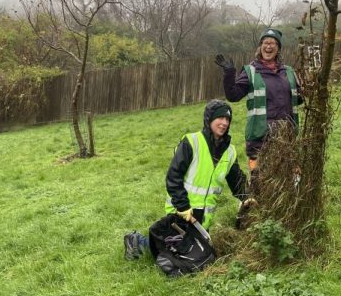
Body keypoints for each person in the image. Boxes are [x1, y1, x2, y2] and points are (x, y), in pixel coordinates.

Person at [124, 99, 252, 260]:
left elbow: (236, 181)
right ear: (209, 119)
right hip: (181, 214)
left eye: (227, 119)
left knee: (199, 257)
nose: (224, 123)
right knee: (173, 254)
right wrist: (182, 206)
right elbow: (173, 176)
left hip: (202, 221)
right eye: (220, 118)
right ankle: (137, 242)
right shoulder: (192, 142)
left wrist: (247, 197)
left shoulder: (230, 152)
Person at [215, 28, 302, 175]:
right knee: (260, 181)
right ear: (260, 47)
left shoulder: (288, 72)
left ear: (278, 48)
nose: (269, 46)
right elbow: (233, 96)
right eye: (265, 43)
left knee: (286, 180)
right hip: (260, 138)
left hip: (287, 137)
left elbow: (298, 99)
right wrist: (229, 74)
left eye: (273, 43)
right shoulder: (251, 71)